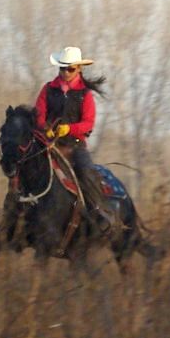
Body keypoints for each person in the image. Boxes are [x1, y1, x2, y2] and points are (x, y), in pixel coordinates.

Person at [34, 46, 113, 231]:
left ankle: (98, 212)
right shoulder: (48, 89)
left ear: (78, 69)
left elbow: (88, 123)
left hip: (74, 147)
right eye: (62, 68)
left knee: (86, 172)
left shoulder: (85, 94)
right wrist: (45, 127)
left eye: (70, 69)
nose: (65, 72)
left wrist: (69, 129)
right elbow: (38, 113)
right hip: (49, 146)